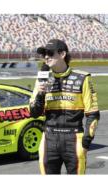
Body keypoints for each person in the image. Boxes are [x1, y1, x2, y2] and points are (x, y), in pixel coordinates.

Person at [30, 39, 100, 174]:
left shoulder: (83, 78)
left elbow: (93, 114)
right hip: (49, 138)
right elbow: (34, 113)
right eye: (44, 53)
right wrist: (40, 93)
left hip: (74, 139)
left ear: (62, 54)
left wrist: (85, 144)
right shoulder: (41, 80)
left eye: (50, 53)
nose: (46, 57)